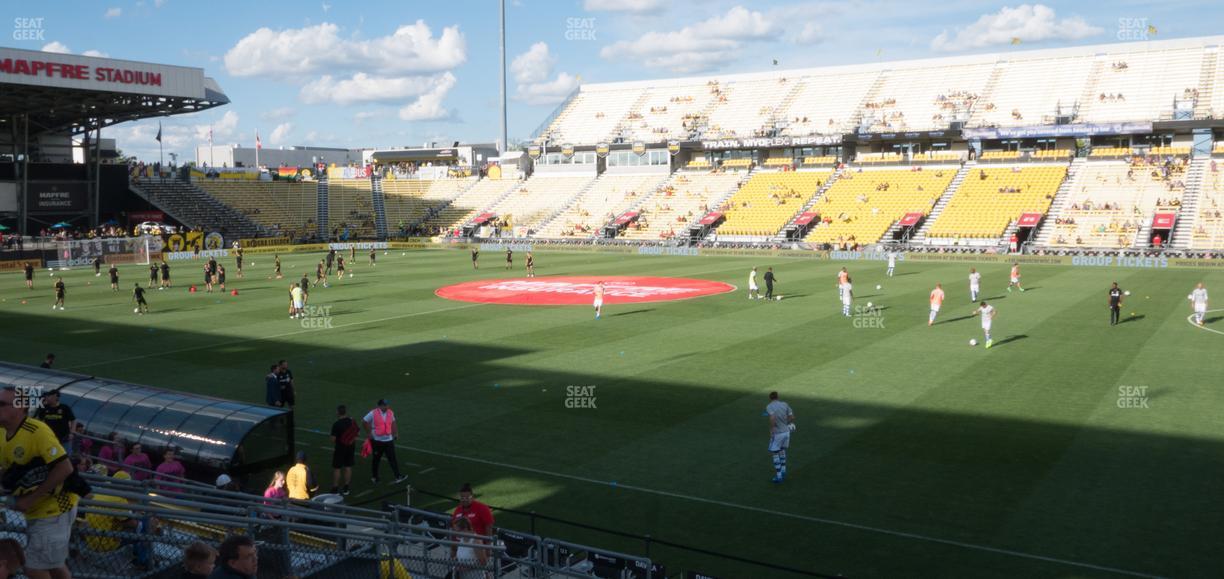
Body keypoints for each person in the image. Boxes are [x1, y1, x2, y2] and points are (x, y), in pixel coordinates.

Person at [0, 386, 81, 579]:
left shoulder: (37, 431)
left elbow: (65, 468)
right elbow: (7, 468)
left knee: (34, 567)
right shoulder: (2, 433)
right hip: (37, 510)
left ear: (21, 408)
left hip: (55, 508)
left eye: (2, 404)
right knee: (53, 565)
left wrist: (31, 499)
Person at [363, 399, 407, 484]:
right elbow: (364, 421)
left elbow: (393, 423)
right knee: (376, 459)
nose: (386, 406)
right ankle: (375, 477)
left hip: (388, 440)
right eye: (384, 405)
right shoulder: (373, 413)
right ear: (379, 406)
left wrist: (395, 433)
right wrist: (369, 433)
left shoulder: (390, 412)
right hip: (377, 441)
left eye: (387, 405)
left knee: (392, 459)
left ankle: (398, 476)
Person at [766, 391, 795, 483]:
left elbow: (772, 418)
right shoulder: (785, 404)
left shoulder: (769, 406)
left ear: (770, 398)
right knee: (782, 450)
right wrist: (785, 422)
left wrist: (772, 428)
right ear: (778, 397)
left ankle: (779, 477)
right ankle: (783, 471)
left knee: (775, 453)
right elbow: (792, 417)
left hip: (778, 433)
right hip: (787, 432)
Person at [330, 405, 358, 495]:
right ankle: (346, 488)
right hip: (351, 447)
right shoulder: (352, 421)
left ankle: (335, 488)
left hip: (340, 448)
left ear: (338, 412)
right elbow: (356, 434)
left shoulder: (336, 424)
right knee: (348, 467)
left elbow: (332, 439)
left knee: (337, 468)